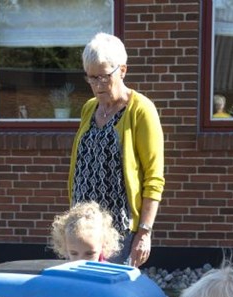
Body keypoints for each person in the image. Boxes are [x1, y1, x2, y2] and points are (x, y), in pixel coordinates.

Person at [69, 32, 165, 267]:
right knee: (79, 296)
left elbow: (154, 178)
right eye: (91, 78)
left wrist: (144, 232)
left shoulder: (141, 110)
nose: (98, 86)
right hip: (83, 228)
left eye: (104, 76)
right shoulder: (89, 108)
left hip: (118, 231)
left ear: (122, 70)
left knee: (111, 296)